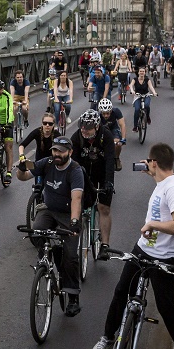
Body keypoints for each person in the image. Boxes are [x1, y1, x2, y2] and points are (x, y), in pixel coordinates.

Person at [90, 143, 174, 349]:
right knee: (121, 291)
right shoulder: (162, 181)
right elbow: (160, 187)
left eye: (149, 162)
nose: (147, 165)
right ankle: (107, 338)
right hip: (142, 251)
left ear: (154, 162)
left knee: (167, 309)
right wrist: (151, 172)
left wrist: (152, 225)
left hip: (165, 258)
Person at [15, 136, 84, 316]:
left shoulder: (75, 170)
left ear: (70, 152)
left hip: (68, 214)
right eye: (55, 150)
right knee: (36, 233)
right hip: (48, 209)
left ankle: (73, 296)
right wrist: (21, 169)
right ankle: (45, 258)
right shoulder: (47, 163)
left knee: (70, 256)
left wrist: (75, 223)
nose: (57, 154)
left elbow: (76, 199)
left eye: (61, 151)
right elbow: (23, 177)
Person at [71, 109, 116, 254]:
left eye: (88, 128)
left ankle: (104, 245)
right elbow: (73, 163)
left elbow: (110, 160)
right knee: (78, 204)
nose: (84, 130)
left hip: (102, 174)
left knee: (104, 208)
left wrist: (109, 182)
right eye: (82, 127)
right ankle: (73, 237)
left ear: (96, 127)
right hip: (84, 174)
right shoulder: (77, 137)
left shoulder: (106, 135)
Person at [98, 98, 127, 172]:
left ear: (111, 111)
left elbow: (122, 125)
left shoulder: (116, 111)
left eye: (108, 113)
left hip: (113, 129)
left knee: (117, 143)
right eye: (104, 113)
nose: (106, 115)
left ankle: (116, 158)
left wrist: (123, 139)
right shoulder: (97, 115)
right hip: (102, 129)